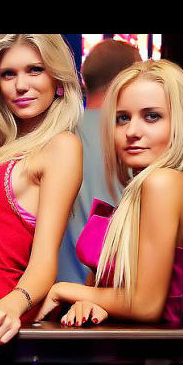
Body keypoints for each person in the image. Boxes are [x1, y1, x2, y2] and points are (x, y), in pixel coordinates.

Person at [38, 59, 183, 365]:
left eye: (152, 117)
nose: (132, 131)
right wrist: (94, 301)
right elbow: (122, 289)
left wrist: (65, 290)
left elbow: (147, 304)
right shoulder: (144, 188)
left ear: (180, 124)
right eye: (122, 118)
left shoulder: (162, 183)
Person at [0, 33, 83, 348]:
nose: (21, 85)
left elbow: (44, 262)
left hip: (0, 327)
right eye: (9, 74)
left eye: (35, 70)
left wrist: (11, 305)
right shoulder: (1, 144)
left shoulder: (62, 145)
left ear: (57, 78)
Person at [57, 39, 141, 284]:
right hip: (119, 293)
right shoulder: (141, 139)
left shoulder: (57, 133)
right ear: (128, 80)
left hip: (57, 292)